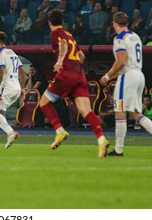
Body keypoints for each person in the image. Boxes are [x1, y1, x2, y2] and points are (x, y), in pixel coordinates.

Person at [40, 10, 109, 157]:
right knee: (86, 111)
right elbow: (82, 55)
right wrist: (75, 67)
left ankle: (59, 131)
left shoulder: (56, 34)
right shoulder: (69, 34)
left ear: (49, 22)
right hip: (79, 74)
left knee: (44, 102)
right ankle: (101, 140)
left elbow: (63, 45)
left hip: (66, 74)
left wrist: (60, 62)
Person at [99, 12, 152, 156]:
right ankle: (118, 149)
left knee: (120, 112)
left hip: (127, 77)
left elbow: (121, 61)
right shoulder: (136, 37)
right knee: (136, 114)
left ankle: (118, 149)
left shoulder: (120, 38)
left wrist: (107, 76)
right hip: (139, 75)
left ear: (115, 24)